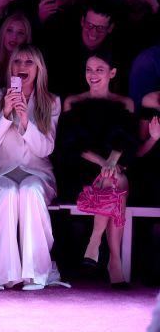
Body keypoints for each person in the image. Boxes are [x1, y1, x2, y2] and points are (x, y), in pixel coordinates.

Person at [0, 44, 61, 290]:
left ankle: (35, 272)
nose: (21, 67)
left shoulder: (51, 102)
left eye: (28, 63)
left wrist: (26, 121)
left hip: (36, 173)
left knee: (30, 191)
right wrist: (5, 113)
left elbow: (46, 149)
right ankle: (2, 274)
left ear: (39, 69)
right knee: (7, 194)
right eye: (17, 62)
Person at [57, 52, 136, 289]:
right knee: (115, 181)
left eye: (99, 69)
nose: (92, 75)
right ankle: (114, 261)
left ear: (112, 73)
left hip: (113, 167)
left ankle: (95, 241)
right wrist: (105, 163)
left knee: (114, 180)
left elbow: (127, 140)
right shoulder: (73, 101)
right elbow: (72, 145)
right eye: (88, 69)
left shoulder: (125, 103)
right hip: (81, 169)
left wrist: (112, 159)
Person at [0, 12, 32, 83]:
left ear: (26, 38)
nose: (14, 37)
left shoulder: (30, 68)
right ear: (3, 33)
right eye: (9, 30)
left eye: (20, 33)